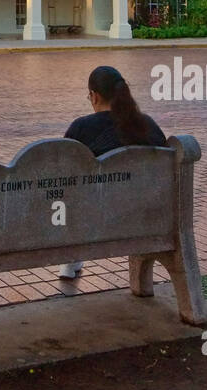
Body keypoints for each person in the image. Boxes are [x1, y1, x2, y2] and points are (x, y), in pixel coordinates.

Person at [57, 65, 167, 281]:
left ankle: (70, 258)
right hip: (145, 219)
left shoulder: (81, 128)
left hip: (93, 221)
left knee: (68, 196)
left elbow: (62, 173)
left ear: (94, 96)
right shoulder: (147, 126)